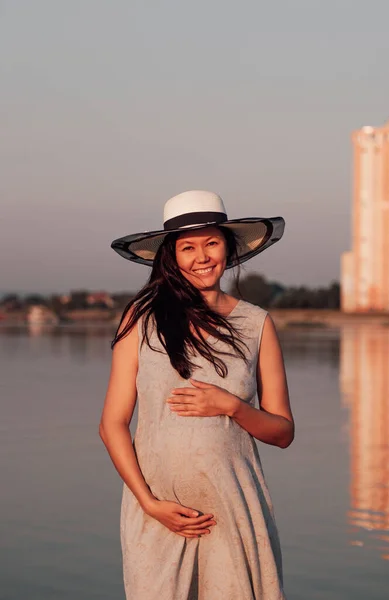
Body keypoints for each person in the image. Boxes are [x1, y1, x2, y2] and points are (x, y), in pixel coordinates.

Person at [99, 190, 294, 600]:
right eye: (188, 247)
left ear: (228, 247)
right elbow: (112, 424)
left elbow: (282, 432)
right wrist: (148, 503)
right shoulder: (141, 317)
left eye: (211, 243)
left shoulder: (256, 323)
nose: (201, 257)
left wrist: (233, 407)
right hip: (157, 515)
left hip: (235, 511)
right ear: (171, 255)